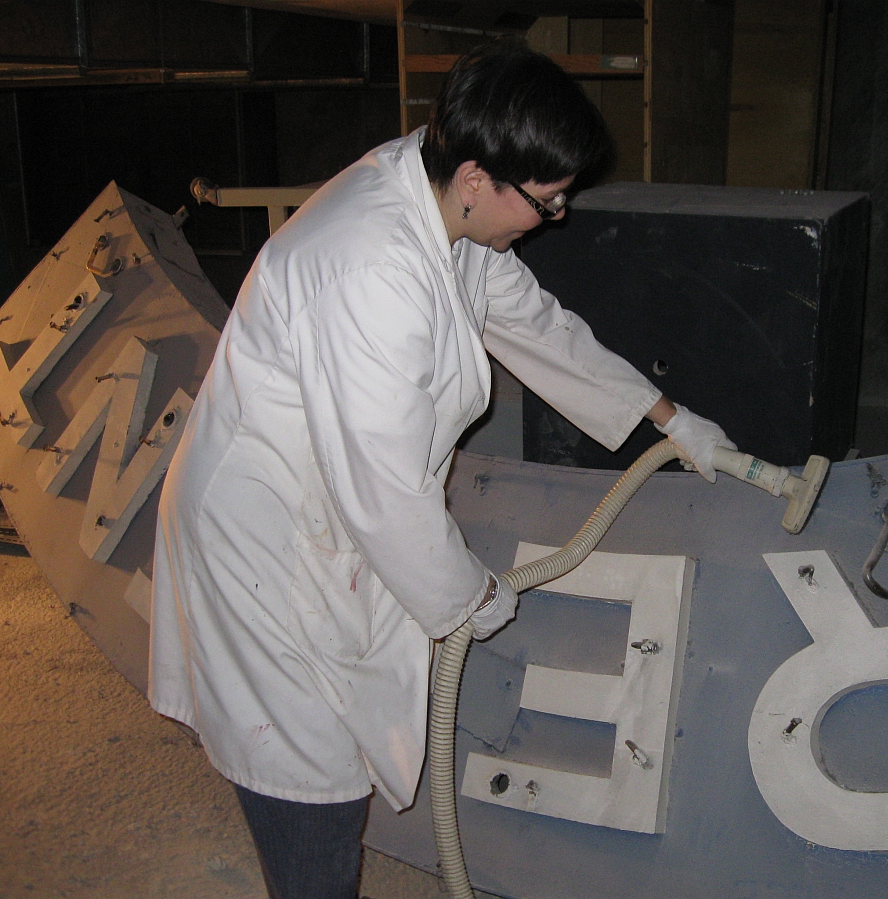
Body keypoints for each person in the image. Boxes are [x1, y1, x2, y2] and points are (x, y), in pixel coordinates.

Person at [148, 41, 735, 899]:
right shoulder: (368, 268)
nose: (554, 216)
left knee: (336, 743)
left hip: (329, 512)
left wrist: (668, 418)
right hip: (268, 535)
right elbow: (382, 489)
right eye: (547, 201)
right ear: (474, 176)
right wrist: (469, 595)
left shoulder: (434, 200)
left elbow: (533, 320)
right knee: (308, 773)